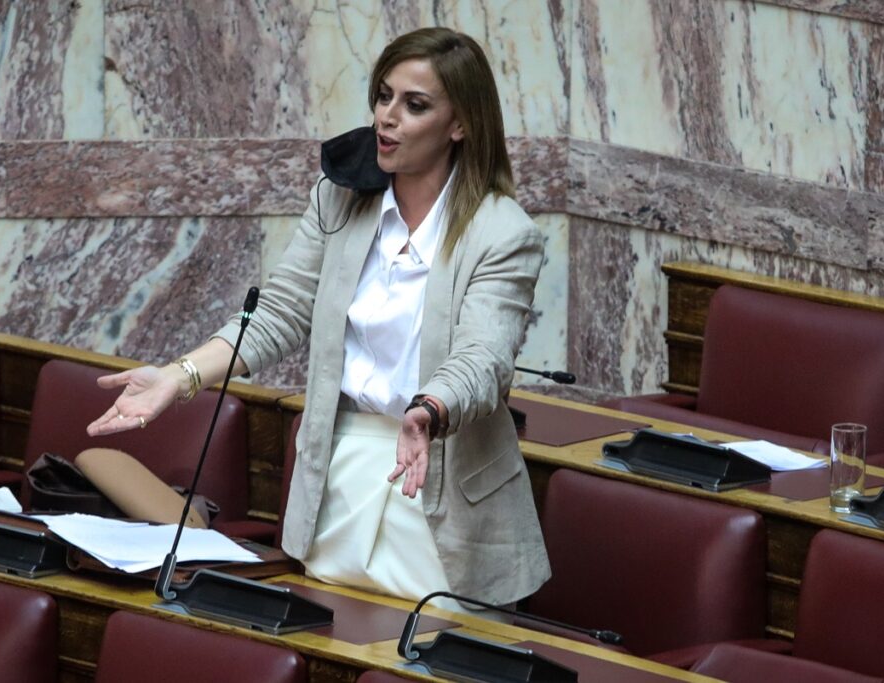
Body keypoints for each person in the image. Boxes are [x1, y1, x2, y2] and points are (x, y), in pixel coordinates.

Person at [87, 27, 550, 610]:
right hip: (342, 472)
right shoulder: (339, 198)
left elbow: (484, 357)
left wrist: (429, 410)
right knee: (325, 638)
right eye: (383, 96)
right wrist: (178, 377)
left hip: (441, 484)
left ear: (460, 124)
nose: (387, 117)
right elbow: (280, 311)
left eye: (415, 105)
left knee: (429, 648)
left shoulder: (502, 232)